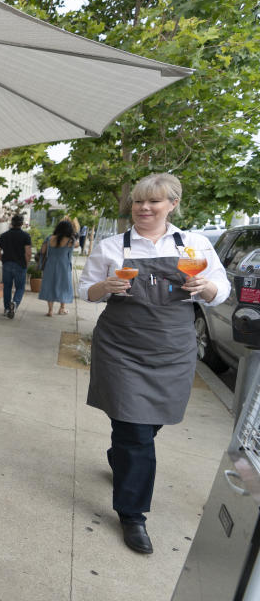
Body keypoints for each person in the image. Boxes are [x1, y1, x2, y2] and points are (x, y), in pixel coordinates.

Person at [78, 173, 230, 555]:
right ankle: (133, 515)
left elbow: (220, 289)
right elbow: (86, 291)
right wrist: (105, 287)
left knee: (148, 426)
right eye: (138, 202)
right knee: (135, 432)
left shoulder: (193, 245)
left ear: (172, 205)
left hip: (172, 348)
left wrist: (206, 288)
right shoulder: (113, 246)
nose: (144, 209)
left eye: (154, 202)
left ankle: (121, 458)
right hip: (121, 348)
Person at [0, 214, 32, 319]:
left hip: (7, 264)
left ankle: (7, 308)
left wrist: (4, 260)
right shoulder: (26, 236)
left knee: (7, 287)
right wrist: (26, 264)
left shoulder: (4, 235)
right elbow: (28, 253)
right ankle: (14, 303)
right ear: (22, 223)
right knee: (20, 287)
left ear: (12, 223)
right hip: (20, 265)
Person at [38, 220, 76, 316]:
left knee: (49, 285)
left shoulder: (49, 238)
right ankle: (62, 309)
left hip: (50, 265)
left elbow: (42, 251)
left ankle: (50, 310)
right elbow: (75, 247)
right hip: (64, 266)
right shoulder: (70, 240)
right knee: (63, 286)